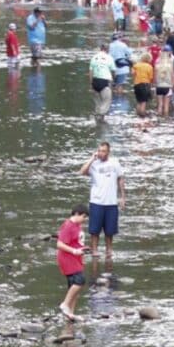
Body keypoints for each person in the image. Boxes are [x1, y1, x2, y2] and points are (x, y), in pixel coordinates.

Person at [78, 142, 124, 272]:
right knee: (94, 230)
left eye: (103, 151)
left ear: (108, 152)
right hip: (96, 201)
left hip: (111, 202)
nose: (101, 153)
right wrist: (92, 158)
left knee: (110, 231)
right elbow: (82, 172)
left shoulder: (115, 163)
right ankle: (95, 250)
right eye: (99, 151)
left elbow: (120, 179)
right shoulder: (94, 164)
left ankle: (109, 250)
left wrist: (122, 197)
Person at [55, 204, 89, 320]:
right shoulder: (68, 226)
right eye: (84, 217)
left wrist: (82, 253)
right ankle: (65, 304)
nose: (85, 220)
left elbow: (78, 241)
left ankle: (70, 314)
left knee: (73, 287)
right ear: (77, 214)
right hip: (68, 258)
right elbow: (59, 244)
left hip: (76, 258)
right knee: (80, 281)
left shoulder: (77, 225)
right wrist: (74, 251)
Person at [88, 44, 114, 121]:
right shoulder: (109, 58)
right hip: (105, 82)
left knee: (97, 102)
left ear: (100, 49)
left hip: (95, 81)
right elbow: (113, 70)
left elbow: (90, 71)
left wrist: (91, 83)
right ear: (107, 49)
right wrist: (113, 80)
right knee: (106, 101)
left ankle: (96, 117)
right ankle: (100, 118)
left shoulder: (94, 57)